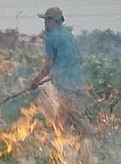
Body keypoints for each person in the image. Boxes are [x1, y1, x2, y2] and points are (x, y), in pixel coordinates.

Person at [30, 7, 93, 137]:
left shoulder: (51, 39)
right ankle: (68, 145)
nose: (45, 23)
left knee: (72, 117)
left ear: (53, 21)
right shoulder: (69, 36)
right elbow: (80, 58)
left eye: (47, 20)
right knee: (63, 119)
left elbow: (47, 66)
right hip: (77, 82)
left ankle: (93, 141)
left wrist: (36, 81)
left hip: (67, 86)